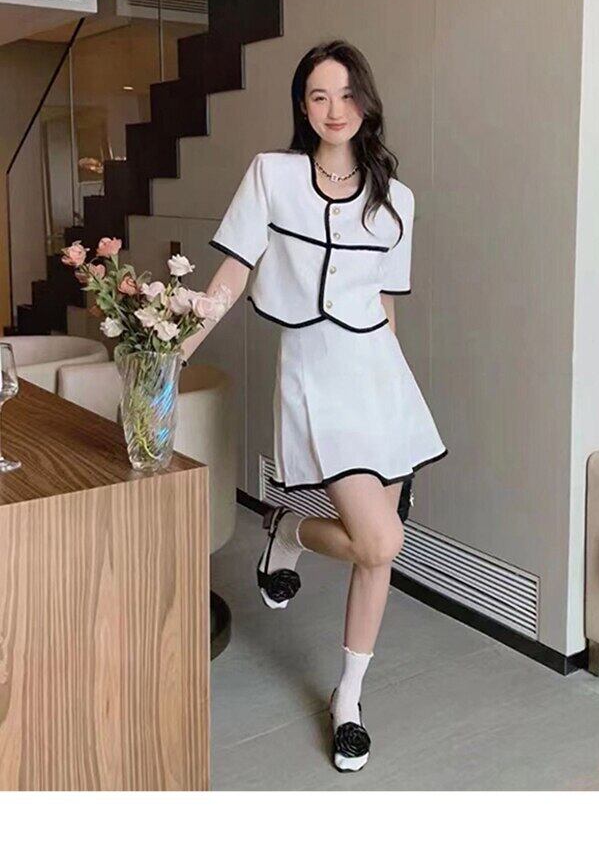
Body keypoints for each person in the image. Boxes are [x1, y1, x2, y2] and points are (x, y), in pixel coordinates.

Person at [187, 42, 445, 775]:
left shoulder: (396, 200)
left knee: (380, 551)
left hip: (380, 379)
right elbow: (232, 274)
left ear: (367, 100)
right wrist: (174, 349)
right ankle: (289, 528)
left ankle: (349, 699)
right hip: (315, 374)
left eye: (346, 94)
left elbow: (385, 305)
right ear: (302, 106)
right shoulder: (273, 176)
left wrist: (399, 407)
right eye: (318, 96)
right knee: (380, 541)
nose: (335, 109)